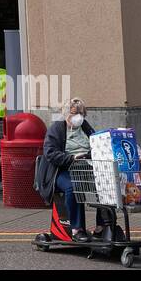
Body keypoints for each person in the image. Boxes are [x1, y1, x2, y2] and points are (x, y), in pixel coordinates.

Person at [38, 97, 95, 242]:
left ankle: (103, 226)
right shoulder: (57, 128)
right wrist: (71, 158)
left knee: (106, 185)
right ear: (66, 114)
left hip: (84, 168)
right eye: (74, 114)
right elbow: (50, 152)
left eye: (81, 114)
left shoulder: (85, 127)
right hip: (61, 171)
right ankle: (76, 229)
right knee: (72, 187)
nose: (78, 117)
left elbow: (96, 141)